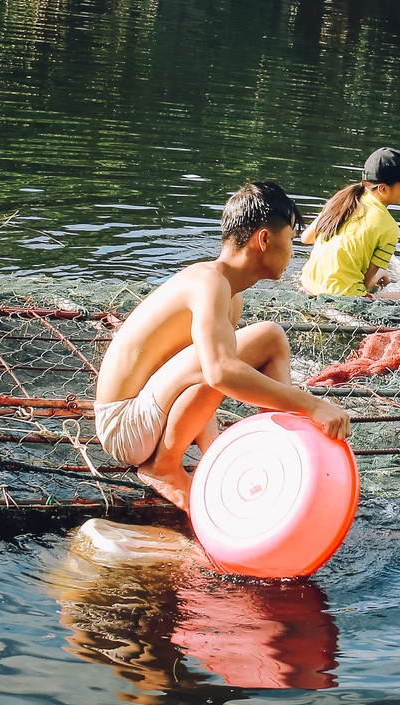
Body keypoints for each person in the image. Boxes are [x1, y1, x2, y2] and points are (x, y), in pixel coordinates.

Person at [92, 181, 352, 510]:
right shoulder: (210, 282)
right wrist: (311, 405)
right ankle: (164, 468)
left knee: (265, 340)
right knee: (247, 347)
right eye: (289, 239)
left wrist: (213, 453)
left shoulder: (231, 294)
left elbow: (201, 384)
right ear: (264, 239)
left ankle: (276, 457)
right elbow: (217, 372)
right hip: (124, 427)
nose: (293, 253)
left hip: (149, 418)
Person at [299, 147, 400, 302]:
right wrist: (380, 273)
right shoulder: (389, 227)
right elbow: (367, 284)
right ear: (383, 188)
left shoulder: (340, 200)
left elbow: (306, 238)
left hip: (307, 287)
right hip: (344, 299)